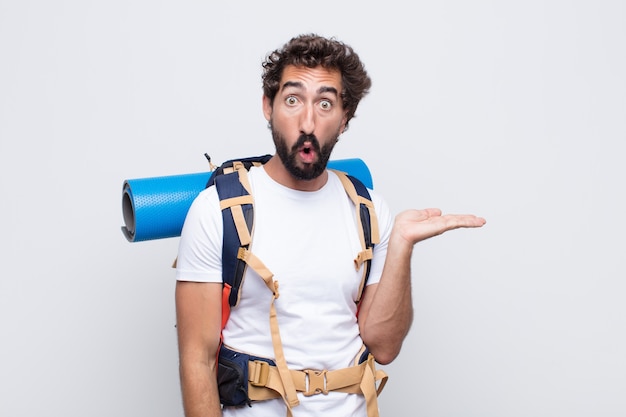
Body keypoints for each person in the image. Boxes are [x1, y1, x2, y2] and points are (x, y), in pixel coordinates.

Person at [174, 33, 486, 417]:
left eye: (325, 103)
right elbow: (197, 361)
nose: (308, 121)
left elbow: (384, 346)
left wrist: (402, 244)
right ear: (268, 107)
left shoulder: (368, 209)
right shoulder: (217, 210)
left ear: (344, 120)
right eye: (292, 100)